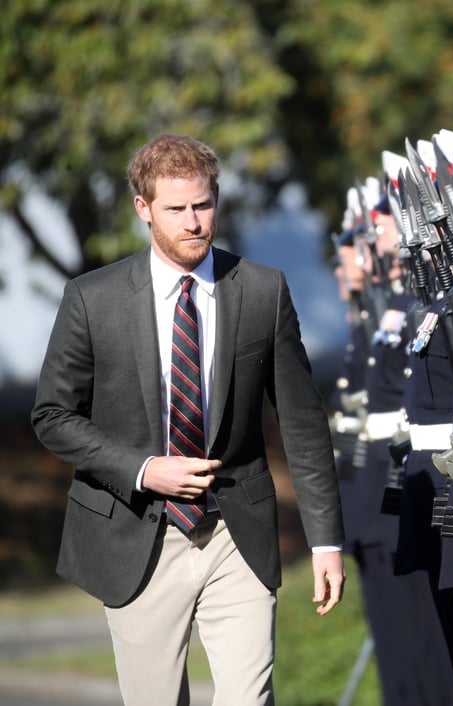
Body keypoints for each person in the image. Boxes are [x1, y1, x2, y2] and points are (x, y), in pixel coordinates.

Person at [31, 133, 347, 705]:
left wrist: (326, 542)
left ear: (217, 199)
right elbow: (52, 415)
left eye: (203, 205)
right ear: (143, 208)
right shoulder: (91, 299)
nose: (194, 222)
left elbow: (303, 422)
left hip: (236, 533)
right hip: (136, 535)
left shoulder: (261, 291)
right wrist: (144, 469)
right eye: (176, 209)